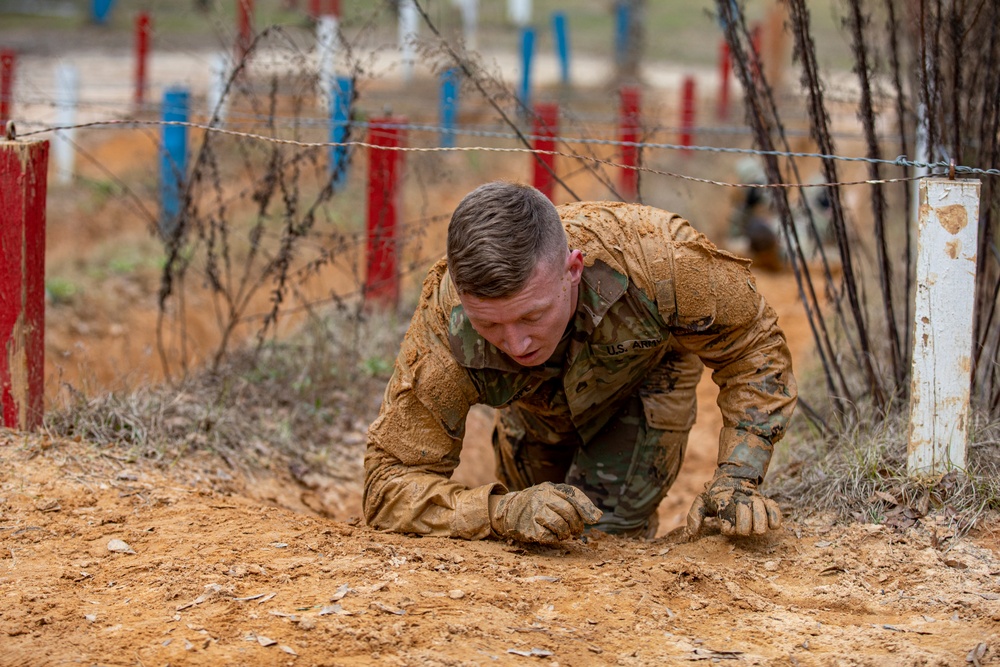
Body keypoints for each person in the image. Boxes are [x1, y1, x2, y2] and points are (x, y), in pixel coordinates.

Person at [364, 181, 797, 544]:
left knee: (599, 540)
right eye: (490, 326)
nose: (515, 344)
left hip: (642, 383)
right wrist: (499, 511)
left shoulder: (660, 260)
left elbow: (753, 344)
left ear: (573, 269)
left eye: (532, 315)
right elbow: (389, 484)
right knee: (536, 536)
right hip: (534, 406)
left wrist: (738, 477)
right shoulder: (446, 322)